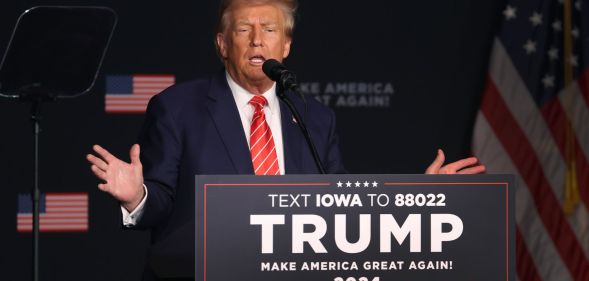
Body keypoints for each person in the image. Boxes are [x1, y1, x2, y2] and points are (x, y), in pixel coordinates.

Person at [86, 0, 485, 279]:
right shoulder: (177, 107)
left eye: (270, 29)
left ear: (286, 46)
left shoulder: (314, 116)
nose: (258, 39)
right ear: (223, 44)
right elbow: (161, 202)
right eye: (244, 29)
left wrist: (420, 198)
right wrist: (137, 197)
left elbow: (341, 206)